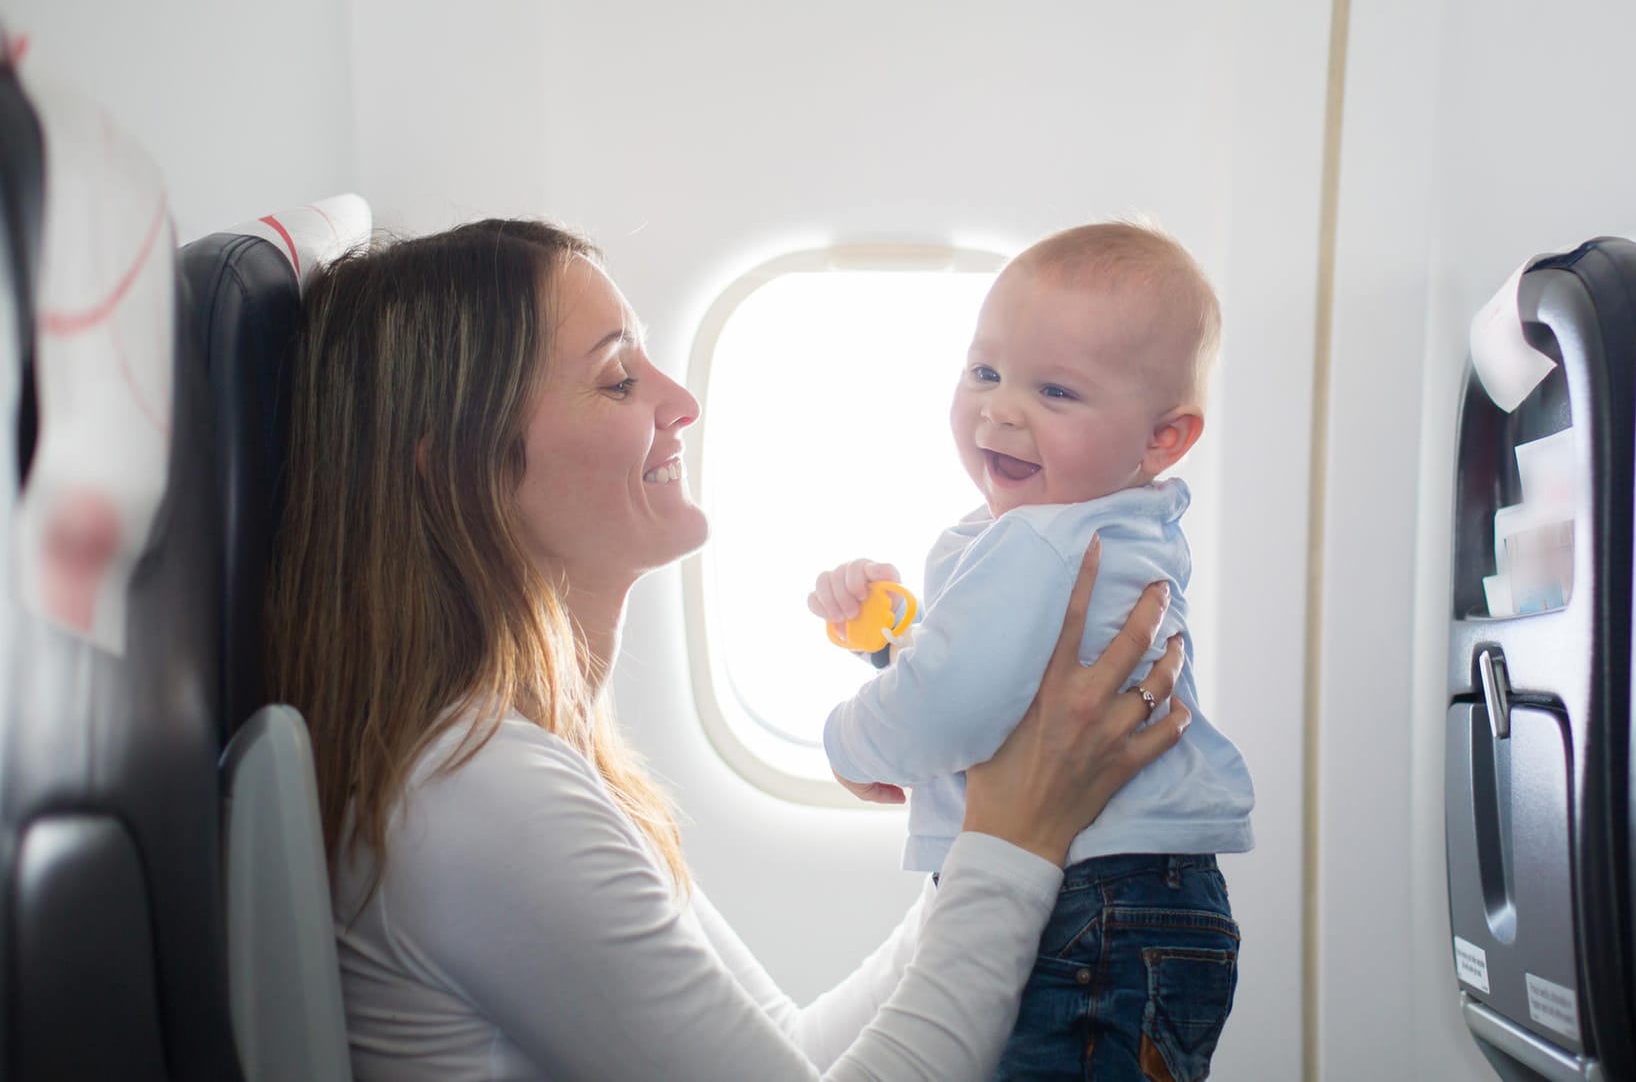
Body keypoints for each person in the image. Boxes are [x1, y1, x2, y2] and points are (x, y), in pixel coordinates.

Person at [263, 218, 1192, 1081]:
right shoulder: (478, 794)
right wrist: (1012, 836)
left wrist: (1009, 814)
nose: (680, 399)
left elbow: (790, 1049)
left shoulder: (541, 760)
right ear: (461, 463)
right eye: (619, 379)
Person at [807, 222, 1255, 1080]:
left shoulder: (1042, 544)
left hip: (1090, 908)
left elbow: (953, 706)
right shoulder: (1098, 528)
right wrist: (889, 640)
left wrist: (848, 740)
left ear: (1163, 437)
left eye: (1054, 390)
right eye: (985, 371)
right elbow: (998, 682)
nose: (1000, 408)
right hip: (1139, 904)